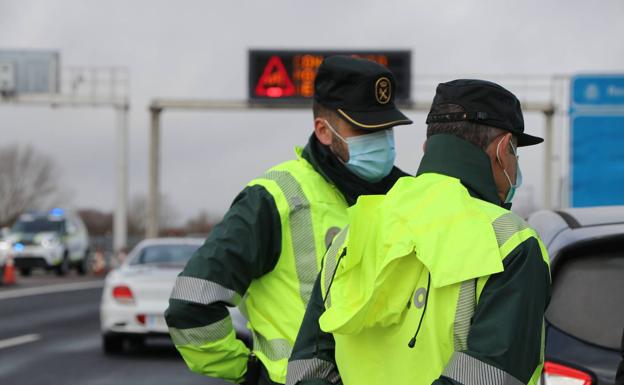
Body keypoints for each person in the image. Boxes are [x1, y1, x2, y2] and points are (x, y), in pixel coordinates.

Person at [165, 55, 413, 385]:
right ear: (324, 131)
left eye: (386, 129)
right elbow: (190, 304)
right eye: (366, 130)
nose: (382, 140)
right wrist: (249, 372)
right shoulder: (275, 198)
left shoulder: (409, 197)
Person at [287, 79, 551, 385]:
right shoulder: (511, 241)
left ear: (428, 148)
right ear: (504, 149)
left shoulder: (355, 230)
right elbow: (490, 376)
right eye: (516, 152)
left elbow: (307, 365)